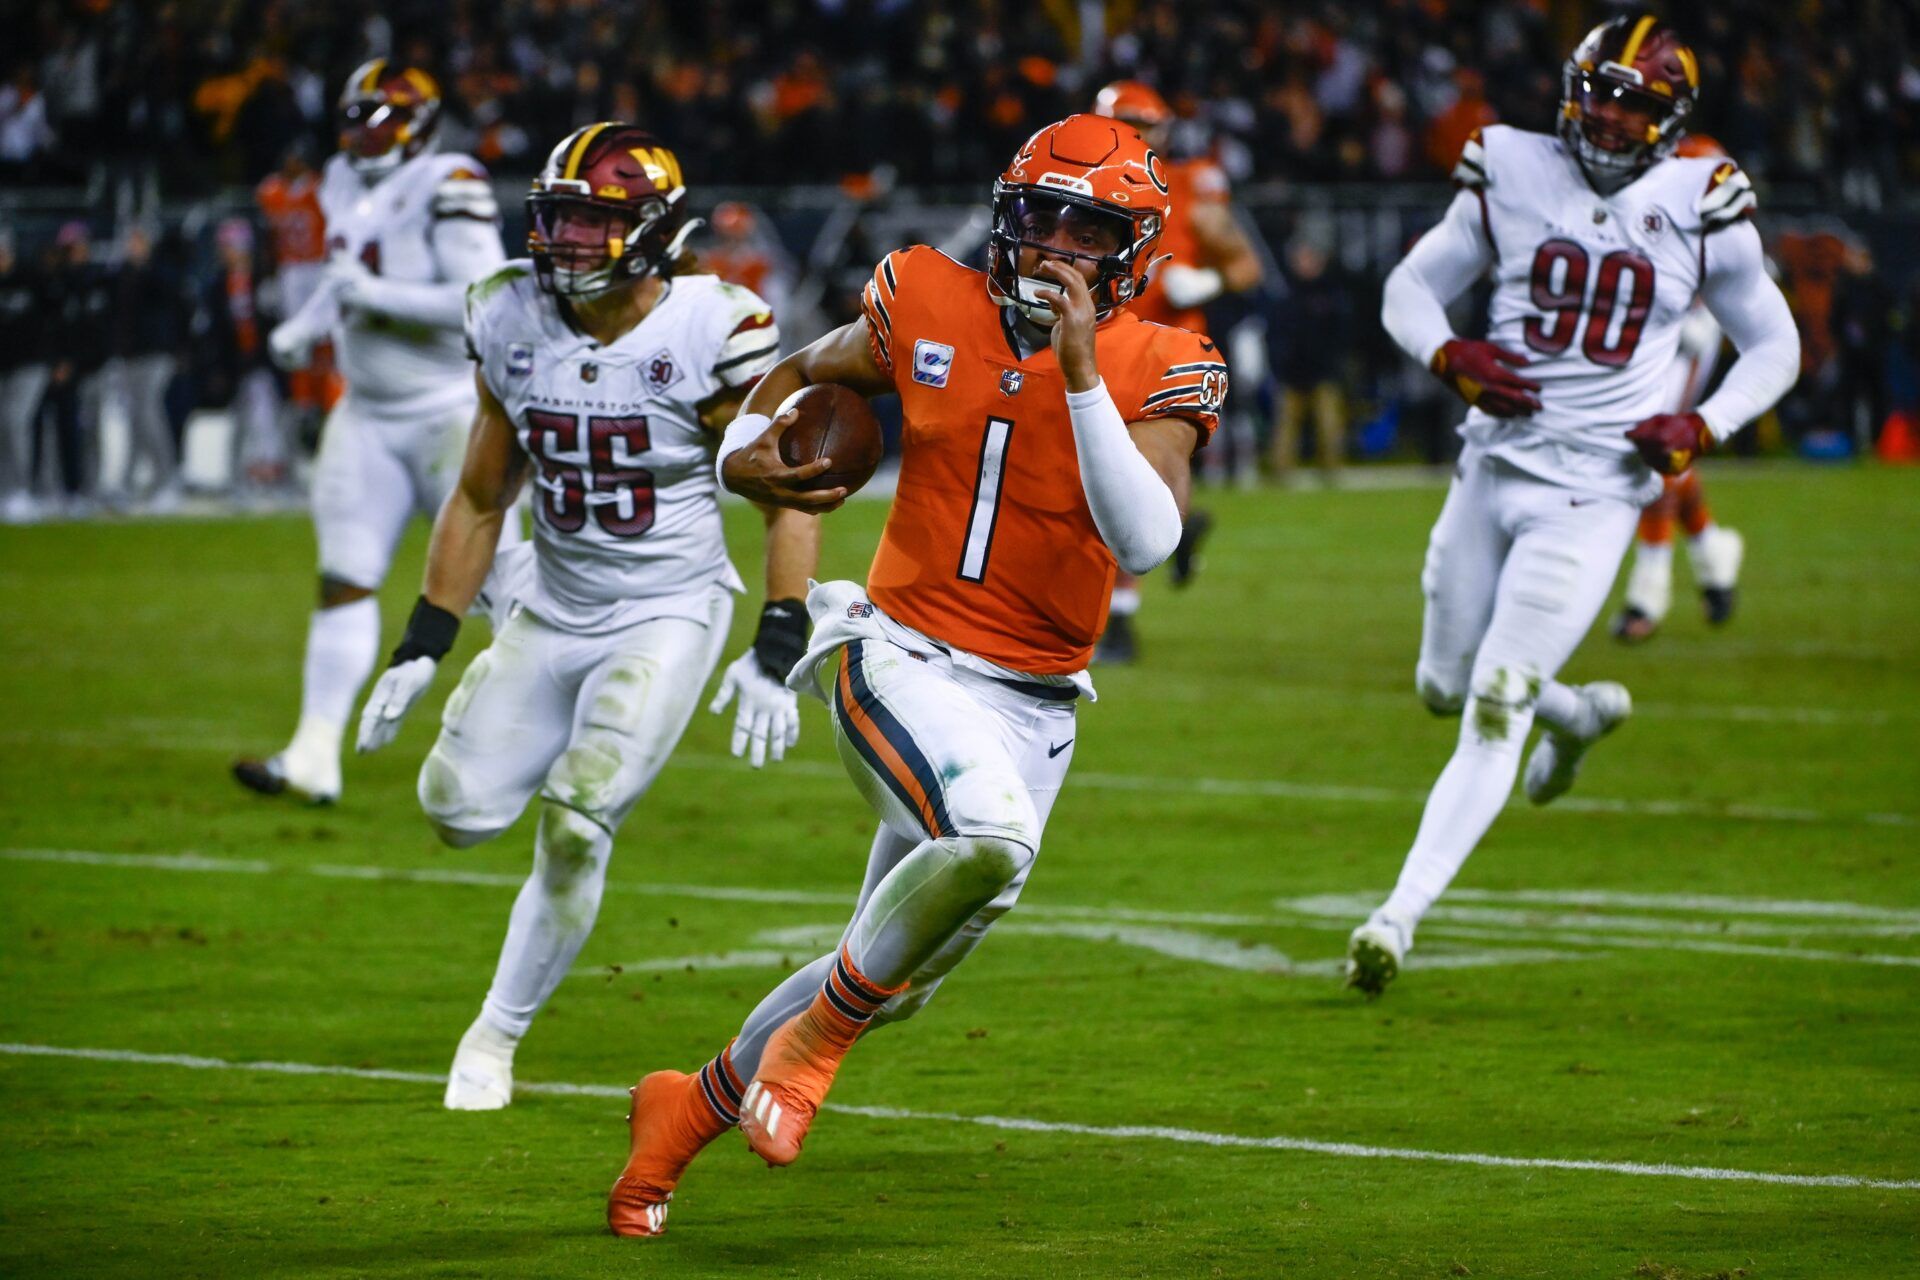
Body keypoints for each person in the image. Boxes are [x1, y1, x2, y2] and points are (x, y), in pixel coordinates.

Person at [605, 112, 1225, 1237]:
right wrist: (747, 448)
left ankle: (684, 1109)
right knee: (987, 839)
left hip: (1035, 701)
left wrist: (1082, 376)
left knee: (902, 967)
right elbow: (800, 369)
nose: (1053, 247)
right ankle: (809, 1050)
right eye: (1039, 216)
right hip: (896, 648)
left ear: (1133, 249)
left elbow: (1146, 540)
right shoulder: (925, 295)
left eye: (1088, 229)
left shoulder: (1164, 359)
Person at [353, 122, 810, 1112]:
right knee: (454, 810)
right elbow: (479, 494)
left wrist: (778, 639)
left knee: (575, 821)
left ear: (650, 230)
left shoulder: (712, 327)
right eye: (554, 217)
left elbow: (788, 497)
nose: (563, 241)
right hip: (551, 600)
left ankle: (493, 1036)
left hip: (665, 609)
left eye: (589, 222)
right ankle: (503, 656)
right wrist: (423, 640)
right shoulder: (508, 314)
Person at [1346, 16, 1800, 996]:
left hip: (1597, 486)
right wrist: (1448, 353)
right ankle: (1580, 717)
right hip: (1493, 462)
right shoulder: (1511, 162)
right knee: (1442, 682)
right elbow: (1410, 288)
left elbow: (1774, 343)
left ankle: (1397, 915)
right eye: (1597, 91)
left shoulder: (1699, 197)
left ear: (1669, 121)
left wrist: (1704, 425)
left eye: (1632, 102)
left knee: (1494, 697)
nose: (1605, 114)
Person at [231, 59, 516, 805]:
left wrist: (370, 296)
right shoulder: (338, 178)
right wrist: (309, 322)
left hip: (452, 410)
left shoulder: (450, 180)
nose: (363, 134)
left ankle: (523, 749)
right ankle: (313, 754)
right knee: (343, 580)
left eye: (380, 118)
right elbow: (343, 274)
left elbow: (478, 296)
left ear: (418, 124)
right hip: (365, 412)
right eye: (353, 118)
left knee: (504, 589)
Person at [1087, 81, 1260, 663]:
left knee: (1129, 481)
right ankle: (1180, 527)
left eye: (1147, 122)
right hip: (1092, 345)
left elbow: (1245, 265)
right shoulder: (1073, 186)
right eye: (1127, 121)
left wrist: (1206, 281)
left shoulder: (1188, 187)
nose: (1138, 133)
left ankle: (1120, 623)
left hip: (1164, 355)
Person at [1612, 134, 1747, 643]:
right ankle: (1713, 551)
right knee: (1658, 450)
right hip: (1654, 333)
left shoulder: (1717, 210)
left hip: (1688, 335)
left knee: (1657, 446)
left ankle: (1649, 591)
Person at [108, 225, 190, 510]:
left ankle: (167, 479)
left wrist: (179, 348)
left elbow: (171, 299)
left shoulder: (159, 271)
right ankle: (133, 481)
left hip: (157, 353)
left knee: (148, 411)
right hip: (131, 354)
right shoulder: (122, 274)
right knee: (135, 417)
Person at [0, 229, 53, 522]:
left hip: (31, 365)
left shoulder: (31, 278)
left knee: (15, 422)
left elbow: (53, 318)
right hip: (5, 367)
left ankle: (22, 490)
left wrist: (55, 357)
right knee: (4, 427)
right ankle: (6, 490)